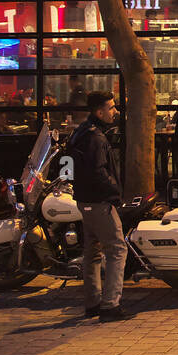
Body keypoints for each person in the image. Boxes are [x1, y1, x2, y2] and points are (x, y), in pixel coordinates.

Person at [66, 91, 132, 321]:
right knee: (117, 249)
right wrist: (114, 194)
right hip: (100, 202)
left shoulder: (81, 132)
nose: (115, 112)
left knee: (92, 252)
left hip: (84, 201)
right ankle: (110, 305)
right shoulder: (96, 137)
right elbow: (99, 172)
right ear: (99, 111)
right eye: (111, 108)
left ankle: (92, 302)